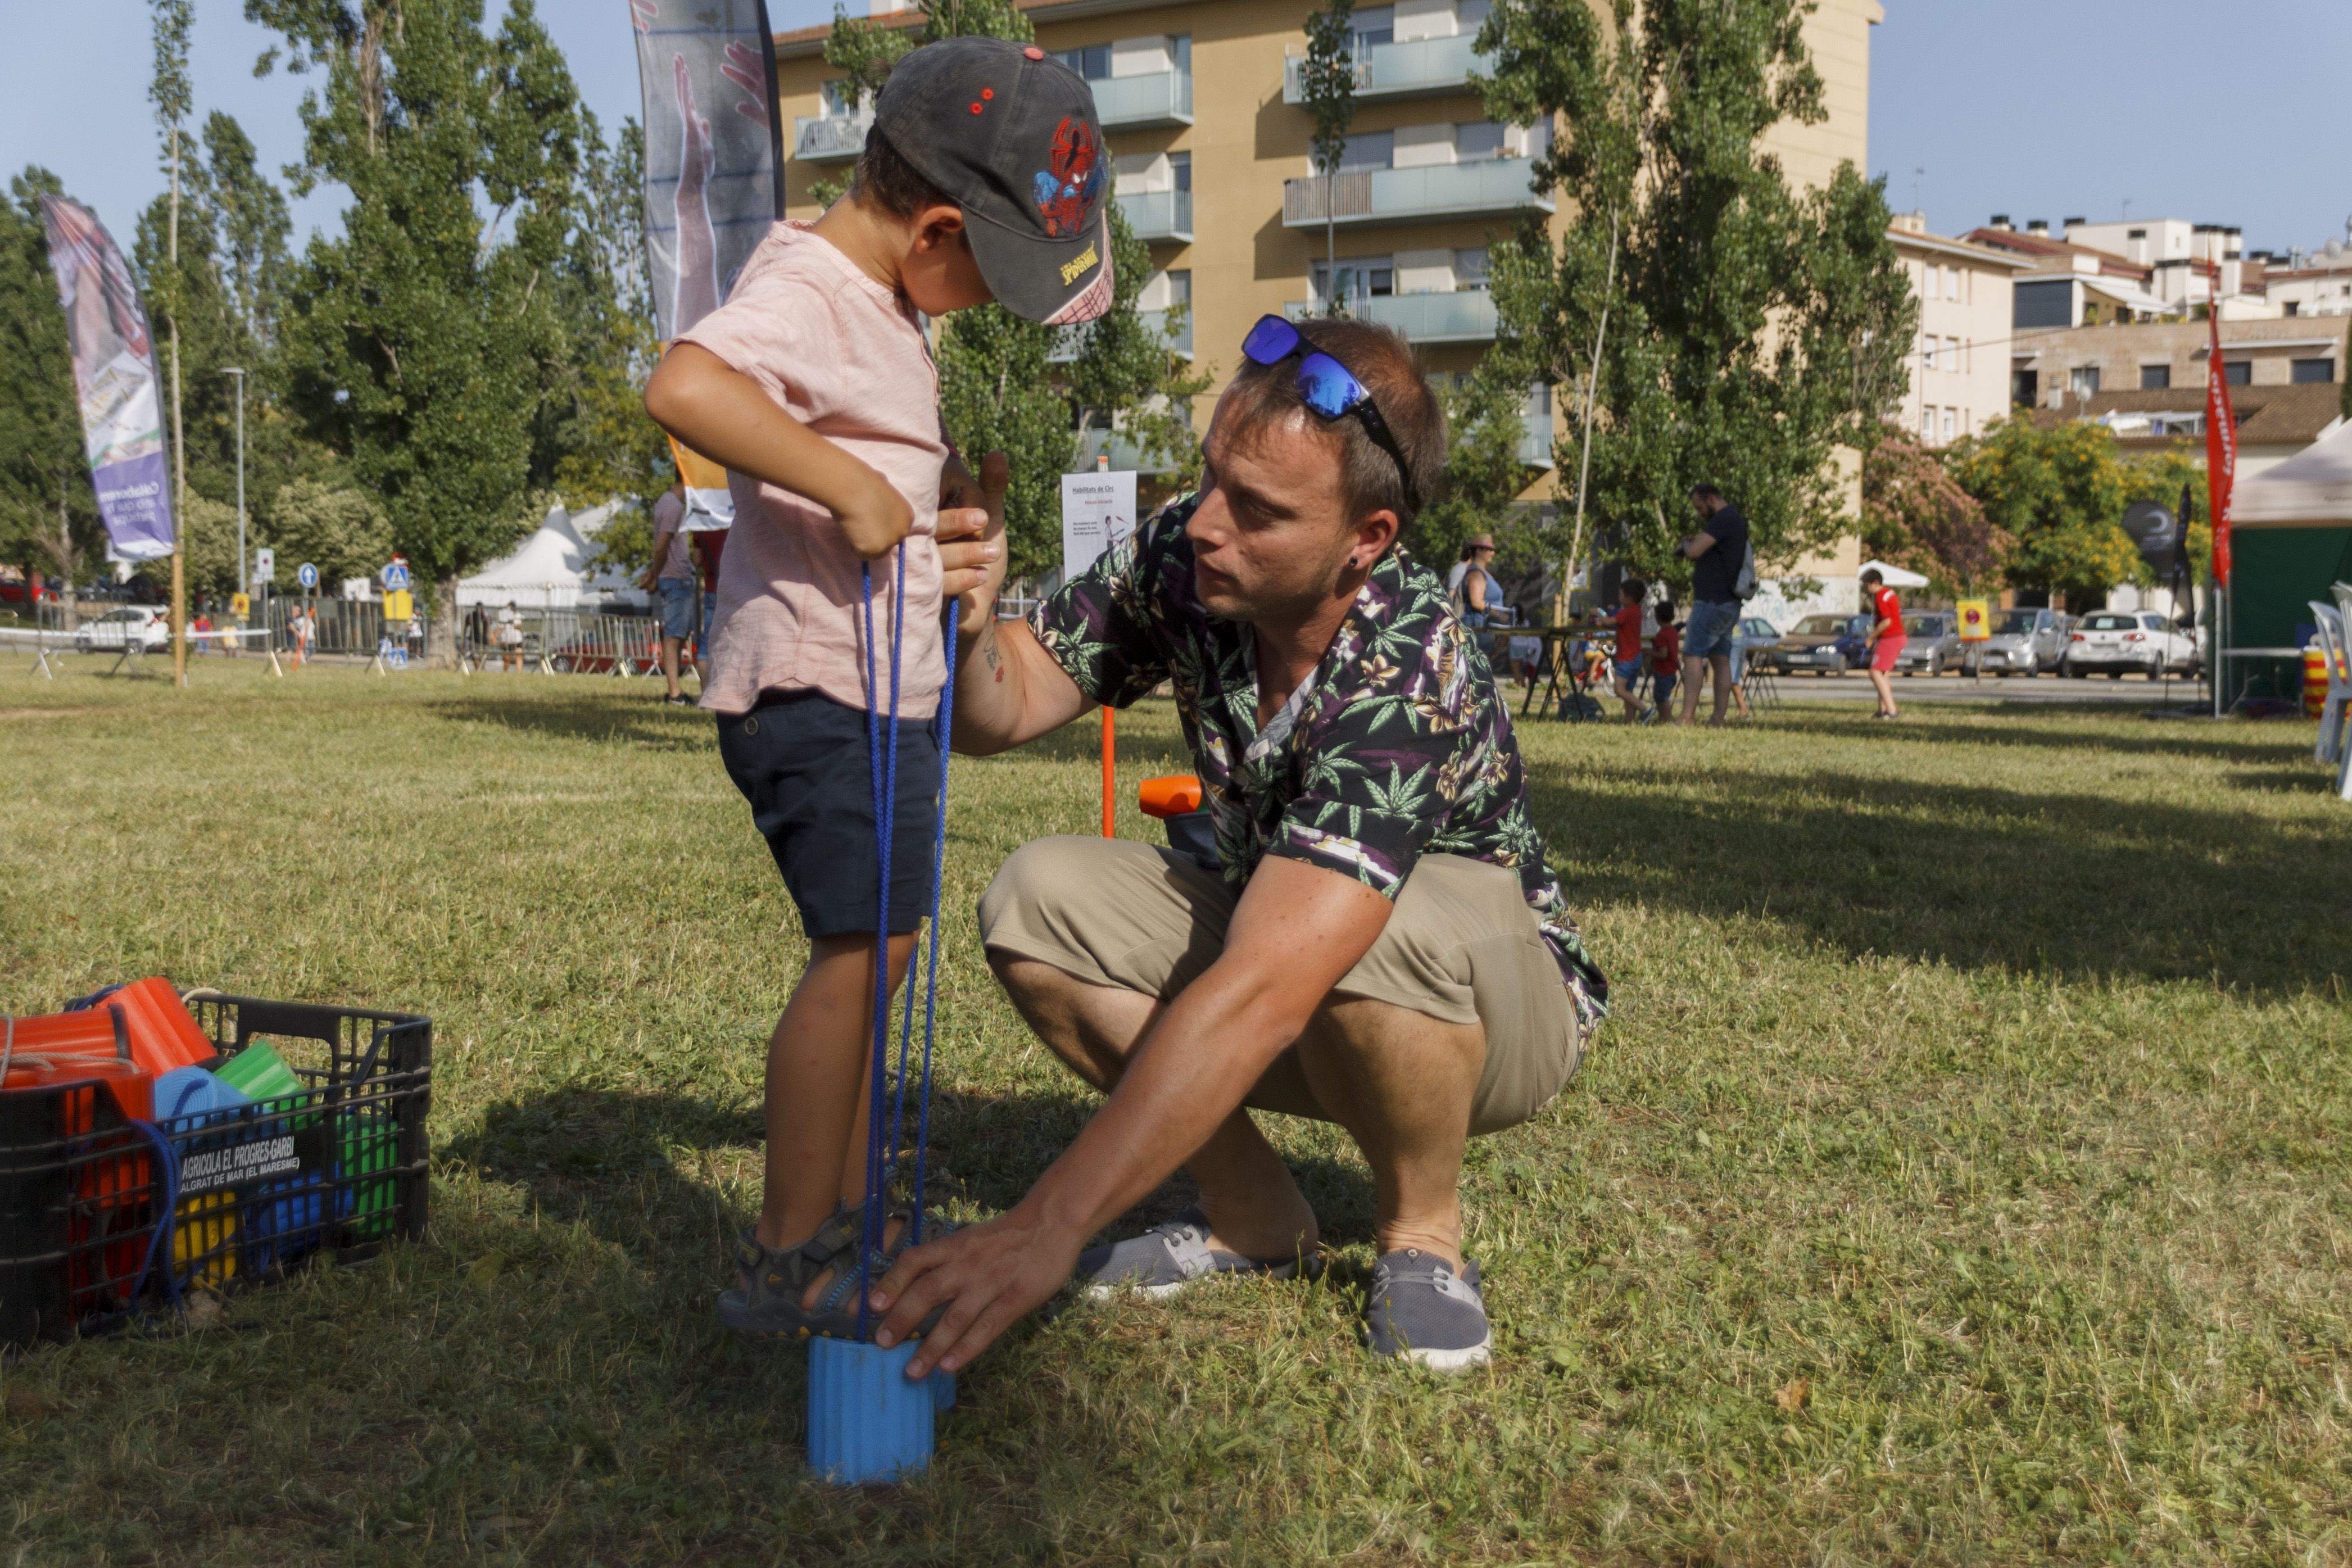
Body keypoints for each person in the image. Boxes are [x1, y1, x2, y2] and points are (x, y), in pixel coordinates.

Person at [863, 315, 1608, 1377]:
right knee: (1039, 899)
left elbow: (1265, 986)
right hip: (1303, 959)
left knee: (1367, 933)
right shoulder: (1189, 554)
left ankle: (1422, 1237)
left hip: (1499, 1011)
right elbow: (1005, 708)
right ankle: (1253, 1215)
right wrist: (975, 629)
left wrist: (1046, 1226)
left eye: (1258, 511)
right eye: (1211, 479)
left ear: (1369, 538)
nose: (1207, 523)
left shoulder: (1409, 661)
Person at [640, 37, 1115, 1342]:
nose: (986, 304)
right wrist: (848, 488)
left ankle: (839, 1216)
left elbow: (876, 454)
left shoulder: (887, 305)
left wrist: (947, 516)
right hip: (813, 679)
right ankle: (787, 1251)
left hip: (881, 684)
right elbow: (683, 383)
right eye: (992, 277)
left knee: (882, 949)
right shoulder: (809, 280)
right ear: (937, 233)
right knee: (858, 952)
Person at [1676, 483, 1748, 727]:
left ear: (1712, 499)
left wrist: (1686, 546)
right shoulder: (1734, 519)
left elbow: (1695, 551)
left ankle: (1687, 717)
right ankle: (1718, 719)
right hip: (1728, 602)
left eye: (1700, 507)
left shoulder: (1723, 518)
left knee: (1692, 655)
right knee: (1720, 660)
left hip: (1712, 602)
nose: (1699, 513)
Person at [640, 481, 699, 705]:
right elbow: (662, 545)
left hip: (675, 576)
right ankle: (674, 694)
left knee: (680, 633)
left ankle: (676, 690)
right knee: (674, 636)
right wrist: (654, 574)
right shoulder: (673, 506)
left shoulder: (665, 503)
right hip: (675, 578)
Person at [1861, 567, 1905, 719]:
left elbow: (1887, 621)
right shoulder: (1890, 593)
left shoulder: (1881, 596)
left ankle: (1892, 711)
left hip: (1890, 637)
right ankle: (1883, 710)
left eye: (1866, 585)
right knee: (1883, 674)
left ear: (1875, 583)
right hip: (1897, 637)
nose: (1865, 588)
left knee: (1874, 672)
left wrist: (1871, 638)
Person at [1610, 577, 1648, 723]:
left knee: (1619, 690)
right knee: (1628, 692)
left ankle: (1645, 709)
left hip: (1626, 657)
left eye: (1621, 595)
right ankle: (1629, 721)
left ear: (1629, 598)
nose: (1619, 598)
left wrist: (1597, 613)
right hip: (1636, 656)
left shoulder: (1626, 612)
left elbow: (1609, 622)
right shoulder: (1637, 611)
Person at [1651, 596, 1680, 720]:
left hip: (1664, 671)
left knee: (1662, 697)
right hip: (1672, 670)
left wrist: (1649, 652)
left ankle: (1666, 719)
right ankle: (1664, 718)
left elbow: (1663, 654)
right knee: (1661, 696)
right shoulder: (1673, 631)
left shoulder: (1662, 634)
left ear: (1657, 618)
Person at [496, 600, 524, 672]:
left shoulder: (518, 615)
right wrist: (494, 637)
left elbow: (519, 625)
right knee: (507, 658)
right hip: (507, 640)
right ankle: (506, 673)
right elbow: (500, 628)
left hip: (517, 640)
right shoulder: (504, 616)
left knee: (519, 656)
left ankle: (519, 673)